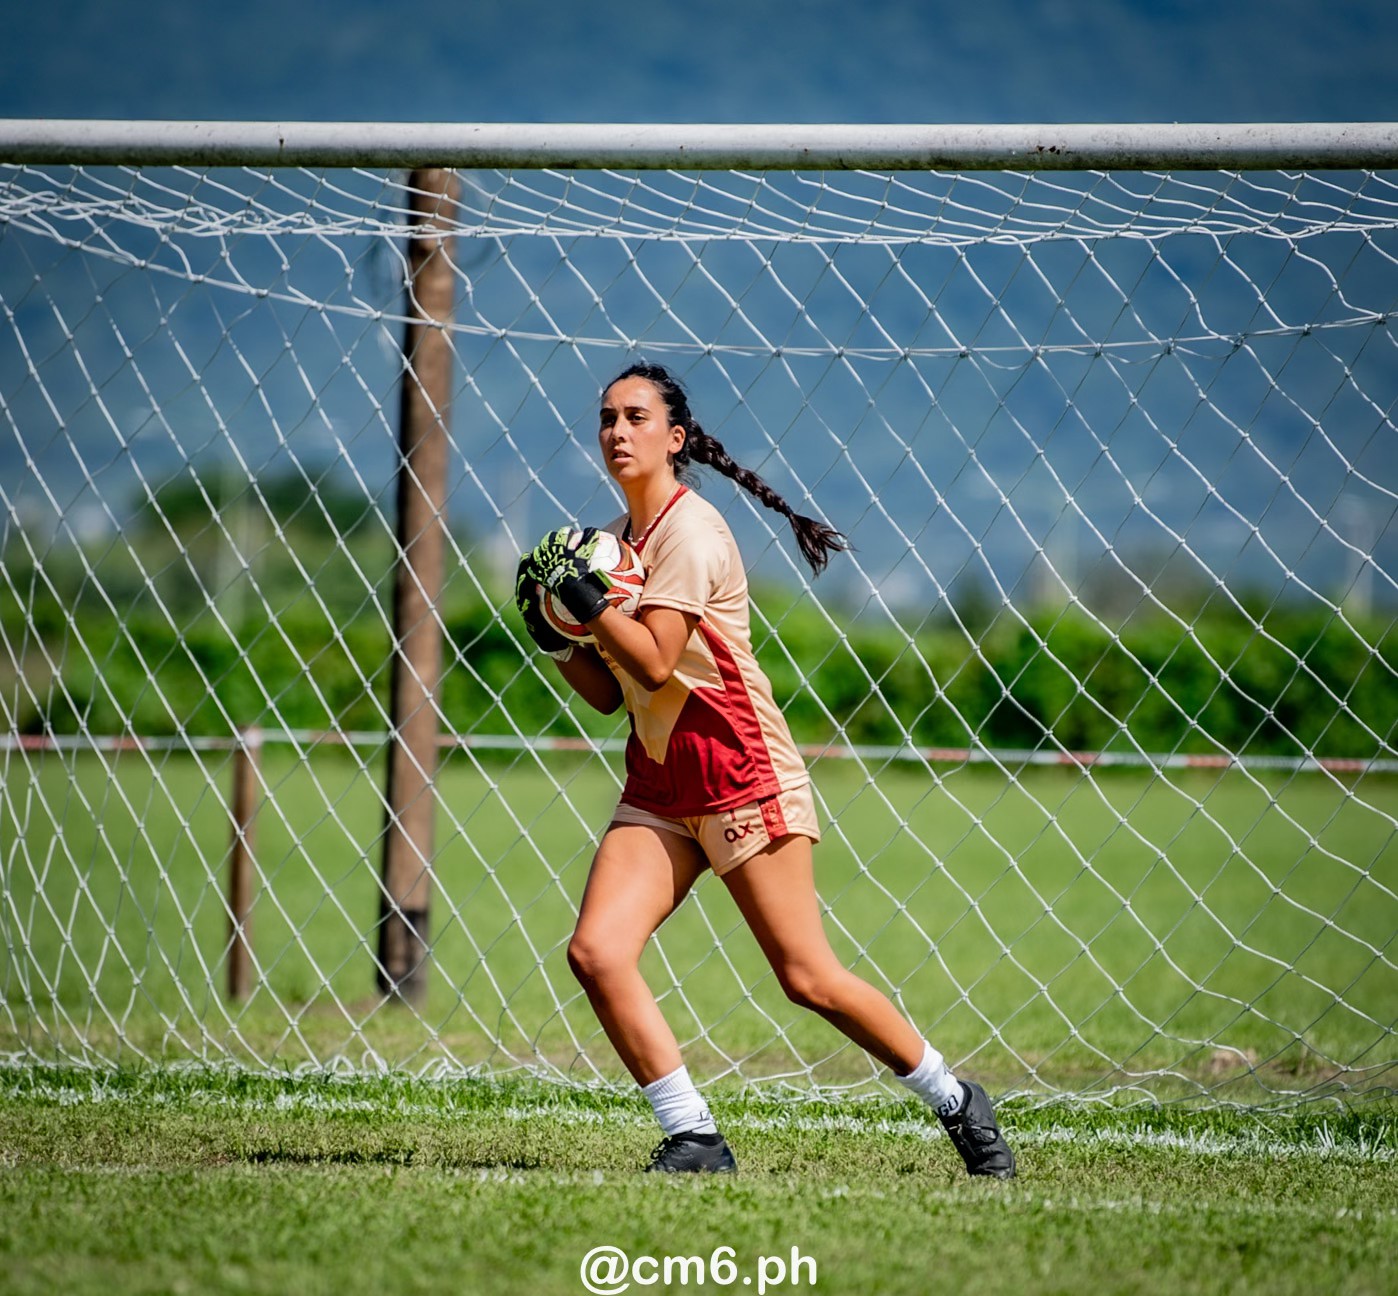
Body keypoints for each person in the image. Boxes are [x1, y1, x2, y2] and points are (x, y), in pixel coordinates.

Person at [514, 362, 1015, 1179]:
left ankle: (955, 1099)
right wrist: (557, 638)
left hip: (742, 774)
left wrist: (592, 604)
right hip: (662, 783)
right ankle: (695, 1139)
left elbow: (656, 662)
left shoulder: (693, 531)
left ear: (675, 439)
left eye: (636, 416)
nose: (616, 430)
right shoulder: (616, 541)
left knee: (807, 978)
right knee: (597, 952)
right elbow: (610, 694)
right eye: (606, 417)